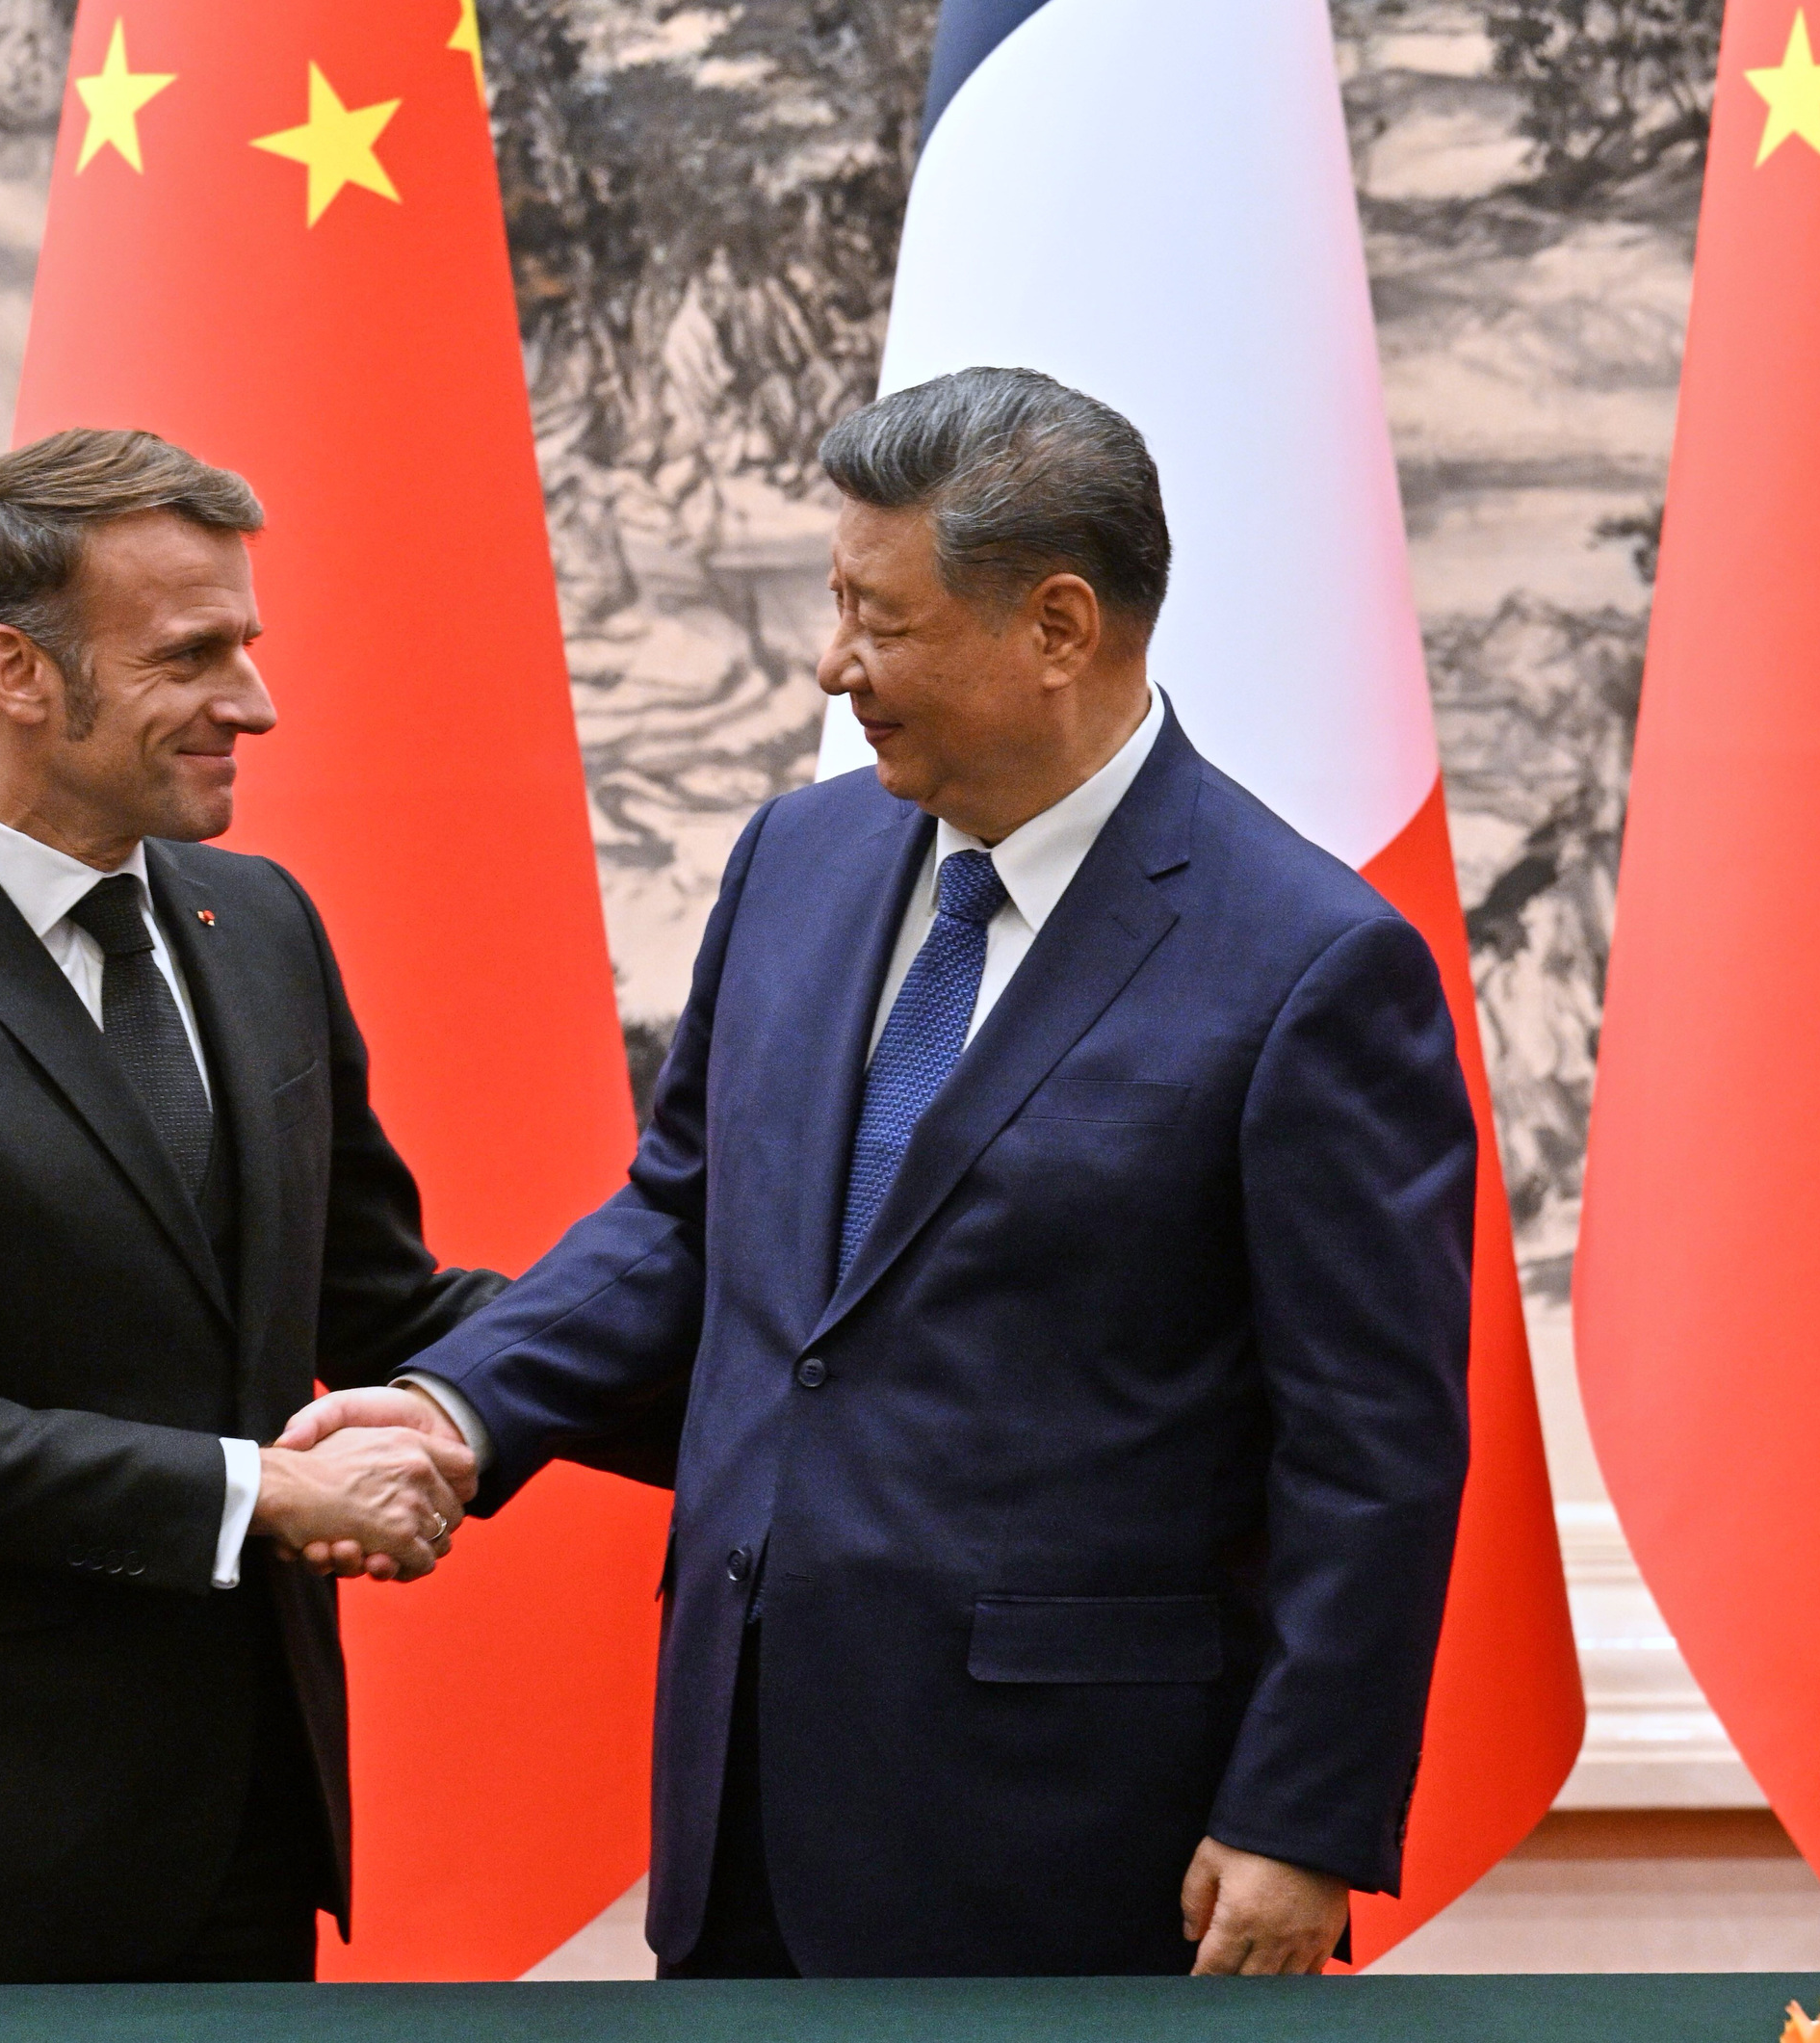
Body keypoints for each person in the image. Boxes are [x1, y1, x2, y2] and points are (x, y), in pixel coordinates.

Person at [283, 369, 1477, 1978]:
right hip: (746, 1791)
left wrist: (1303, 1816)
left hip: (1073, 1839)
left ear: (1059, 627)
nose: (833, 662)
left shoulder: (1312, 966)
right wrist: (457, 1404)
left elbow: (1373, 1447)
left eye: (877, 617)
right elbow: (688, 1219)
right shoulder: (797, 858)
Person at [0, 428, 496, 1985]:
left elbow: (380, 1300)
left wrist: (721, 1345)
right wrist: (266, 1494)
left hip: (248, 1836)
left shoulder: (258, 924)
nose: (253, 700)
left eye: (247, 644)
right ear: (16, 671)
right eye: (194, 654)